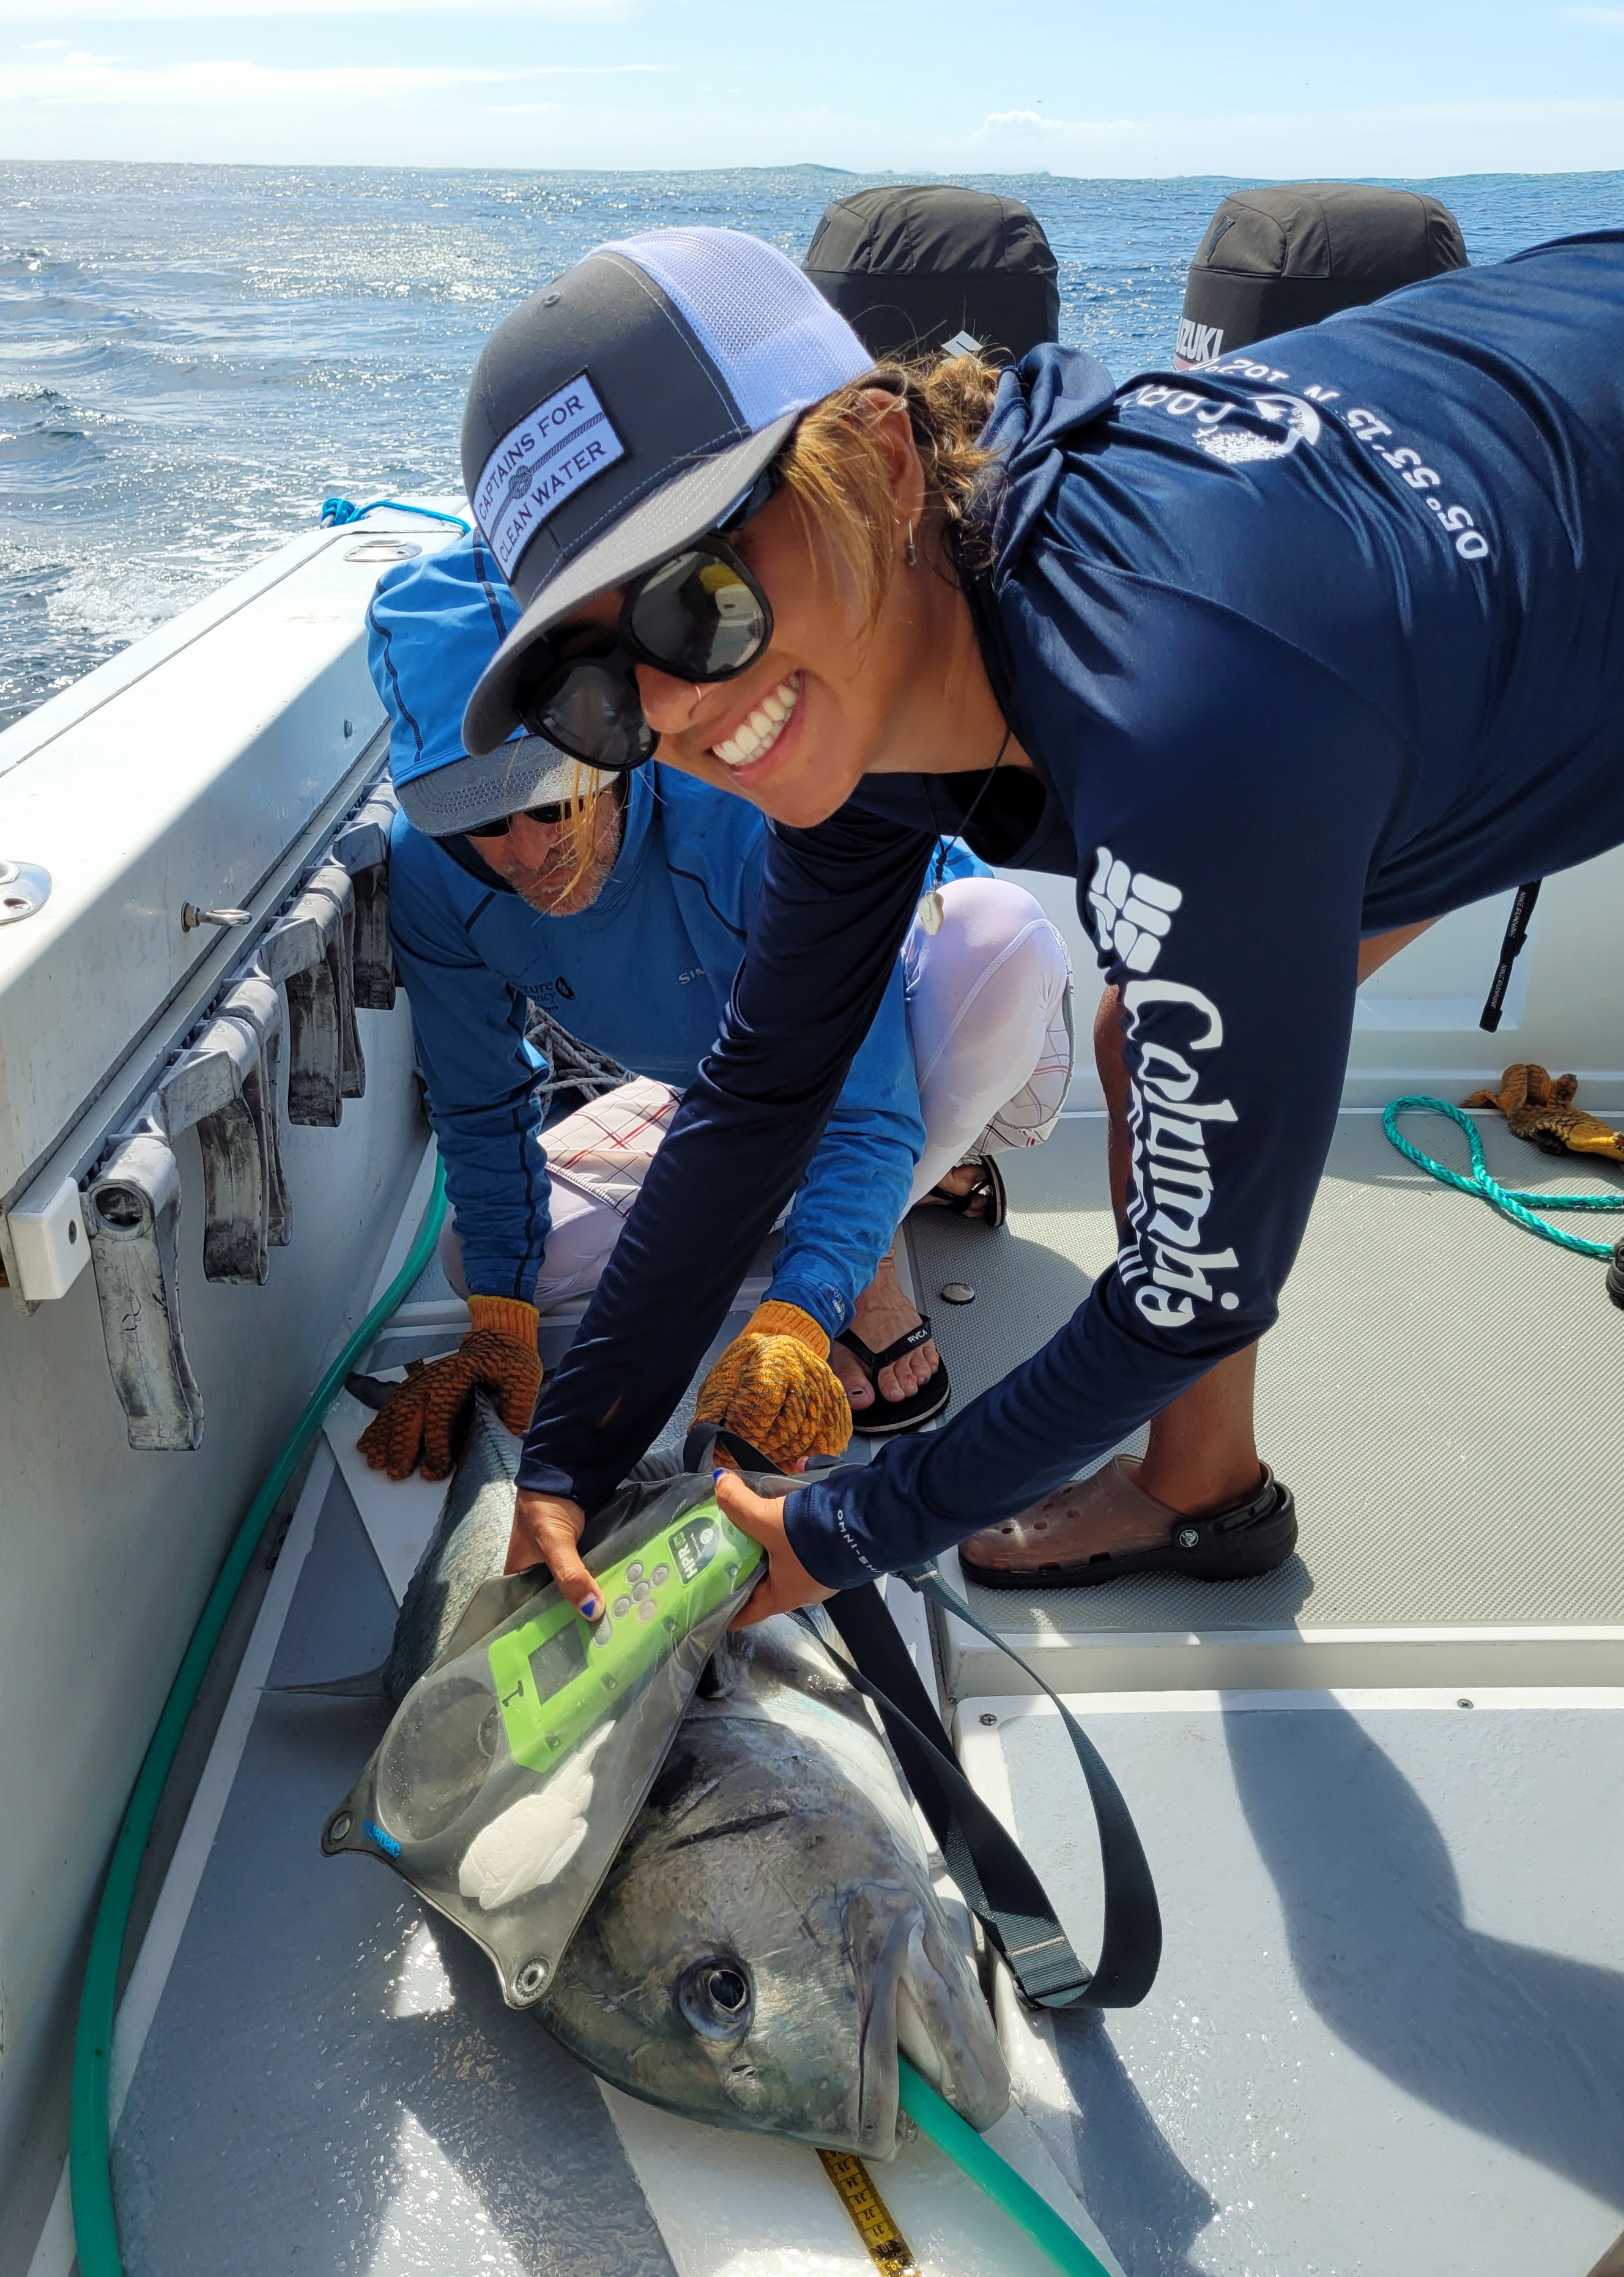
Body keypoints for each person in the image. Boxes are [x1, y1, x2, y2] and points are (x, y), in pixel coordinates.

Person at [443, 210, 1624, 1631]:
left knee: (1182, 1023)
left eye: (700, 602)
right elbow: (764, 1085)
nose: (677, 707)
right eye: (596, 691)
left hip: (1442, 616)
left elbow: (1190, 1289)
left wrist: (844, 1528)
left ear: (877, 464)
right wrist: (573, 1447)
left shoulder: (1188, 723)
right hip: (1446, 606)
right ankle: (1203, 1482)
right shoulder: (892, 662)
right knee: (1160, 1029)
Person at [355, 495, 1072, 1481]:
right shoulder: (433, 873)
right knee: (485, 1267)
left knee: (1003, 940)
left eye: (544, 800)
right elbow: (479, 1109)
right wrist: (498, 1323)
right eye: (475, 819)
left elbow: (863, 1102)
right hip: (729, 1084)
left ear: (605, 736)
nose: (524, 856)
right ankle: (884, 1199)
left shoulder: (735, 806)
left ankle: (868, 1257)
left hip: (938, 1021)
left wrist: (800, 1310)